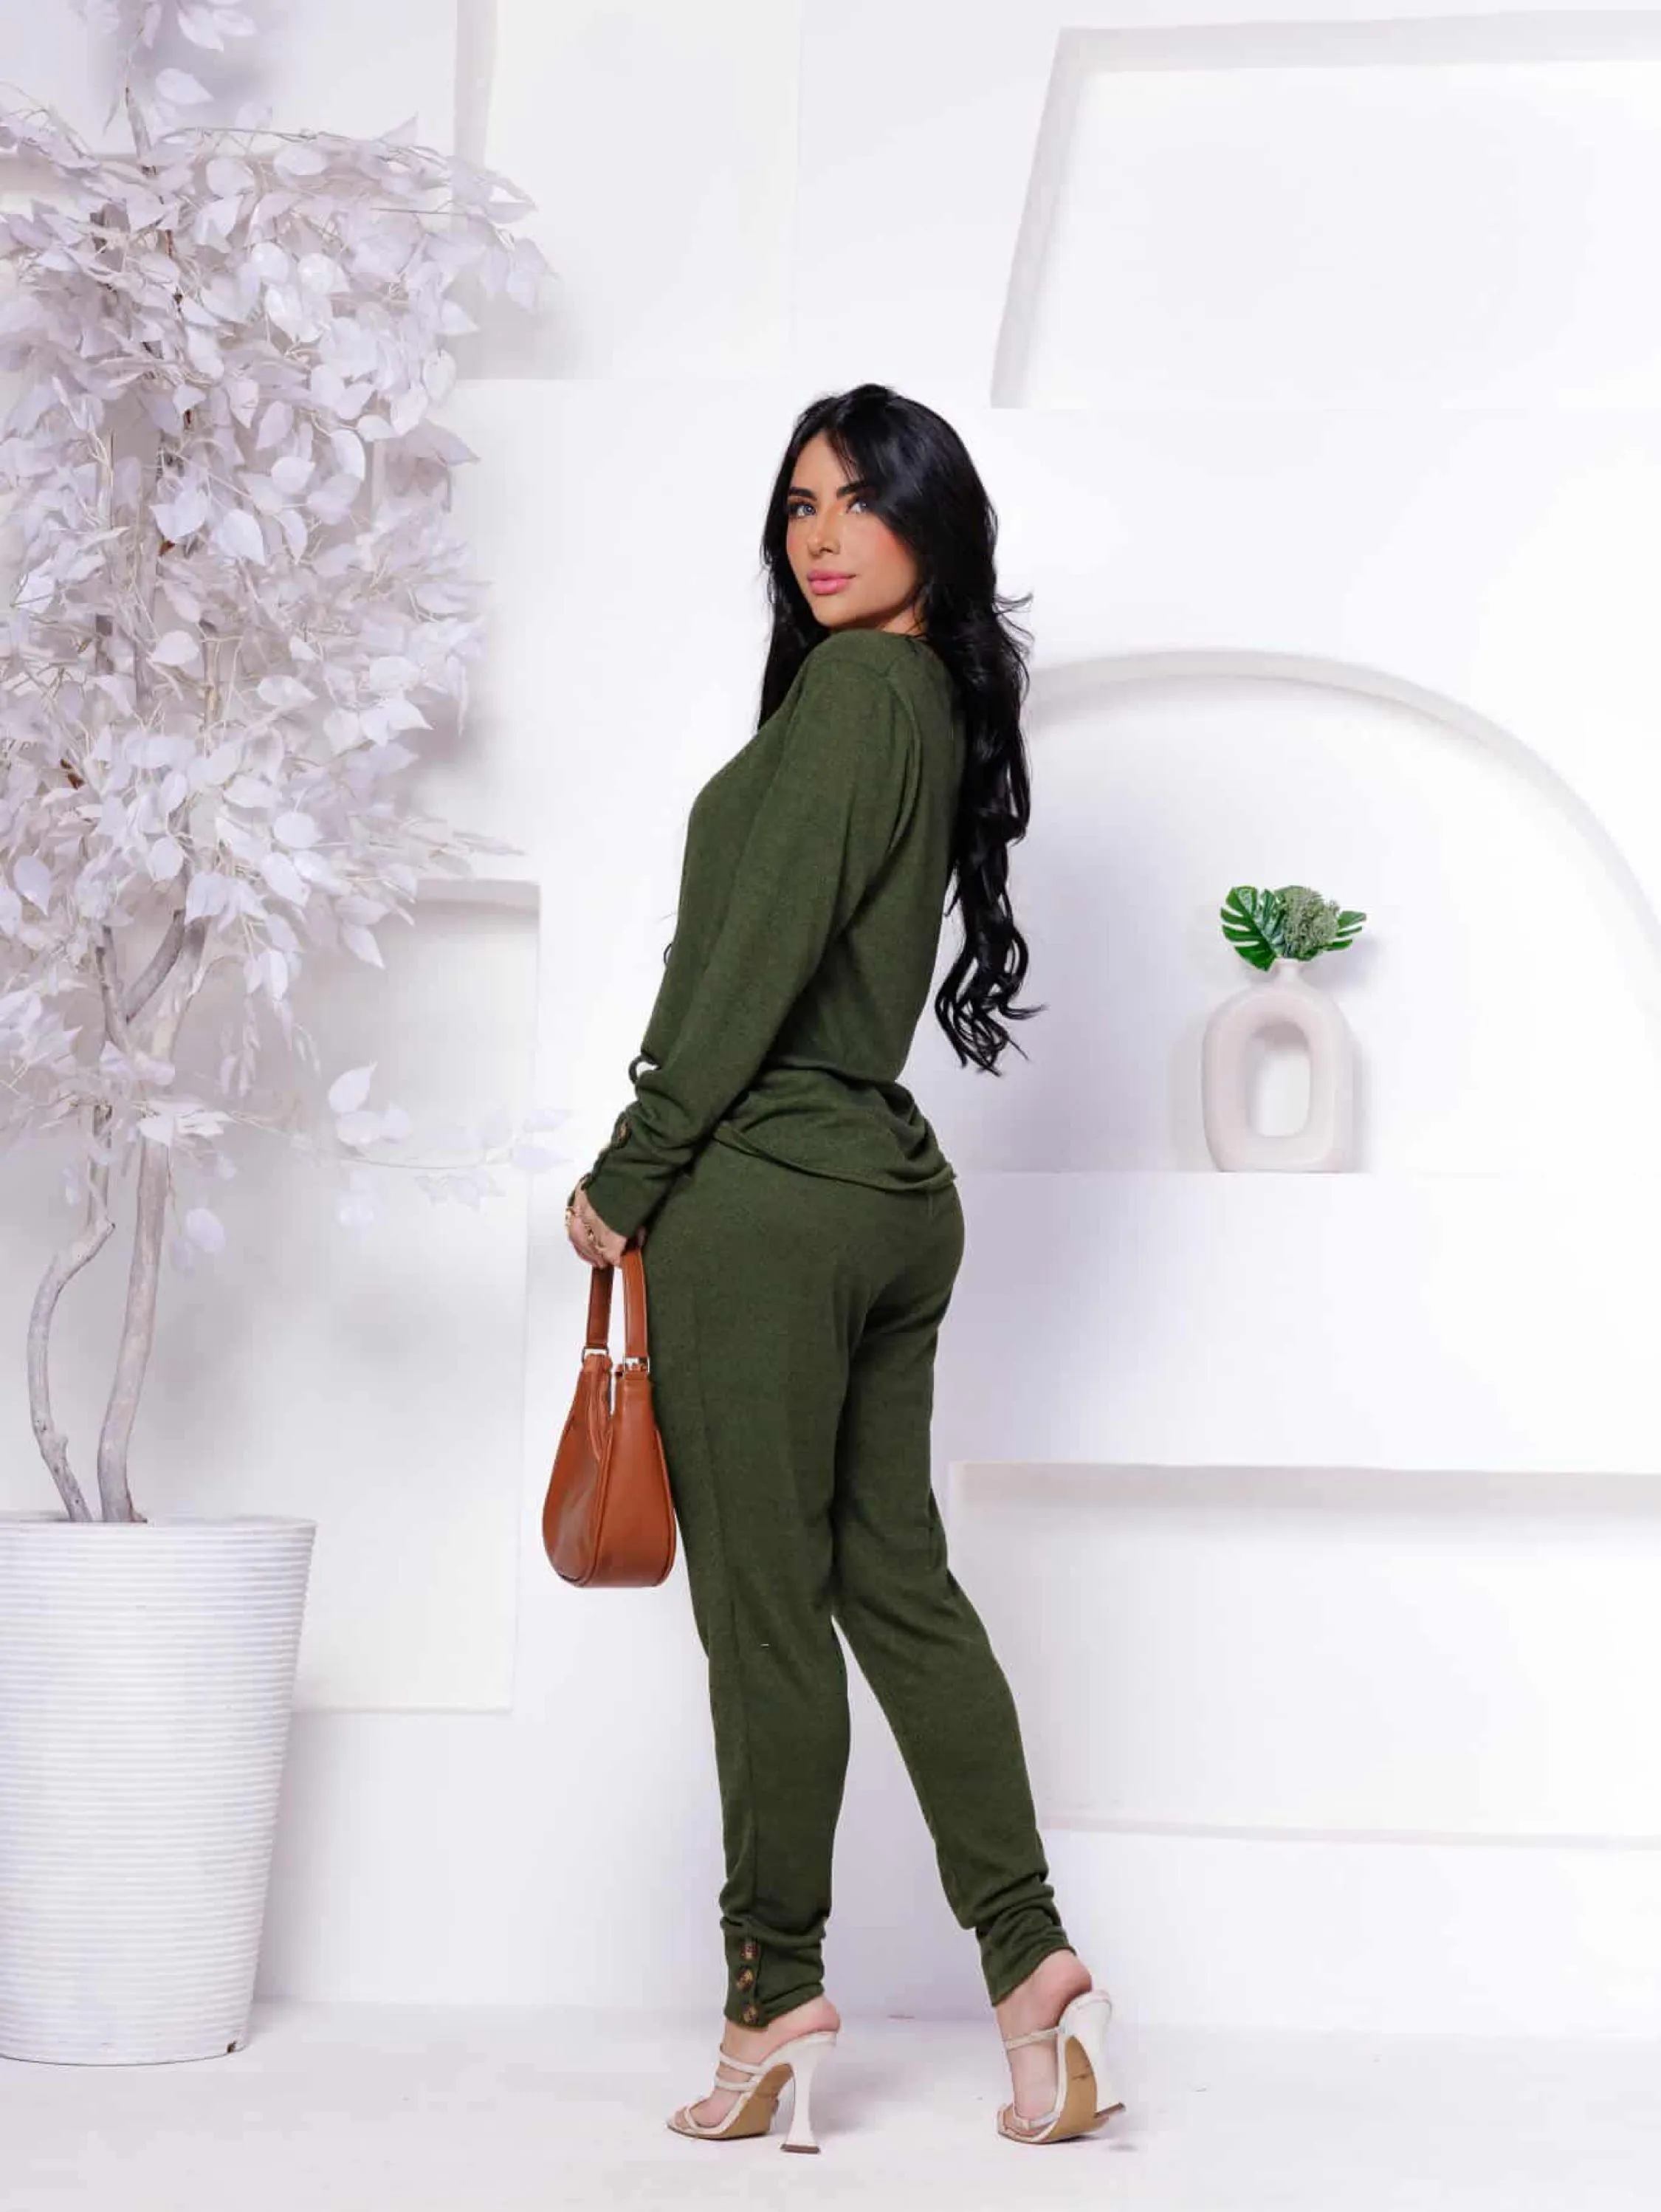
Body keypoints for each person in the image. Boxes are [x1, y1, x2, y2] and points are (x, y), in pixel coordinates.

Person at [563, 384, 1121, 2149]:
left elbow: (757, 960)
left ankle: (772, 1995)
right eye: (800, 503)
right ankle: (1034, 1970)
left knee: (765, 1613)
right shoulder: (928, 699)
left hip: (767, 1194)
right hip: (887, 1187)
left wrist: (634, 1167)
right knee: (896, 1580)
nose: (819, 535)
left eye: (859, 502)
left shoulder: (852, 701)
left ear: (929, 528)